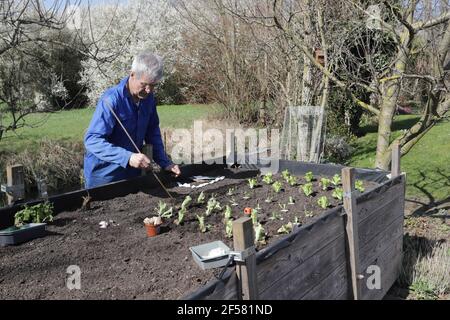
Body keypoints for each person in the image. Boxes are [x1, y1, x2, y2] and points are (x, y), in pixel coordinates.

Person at [83, 51, 180, 188]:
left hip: (132, 176)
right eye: (145, 84)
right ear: (132, 75)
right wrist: (127, 157)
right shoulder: (111, 100)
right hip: (104, 178)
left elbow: (152, 133)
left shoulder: (148, 99)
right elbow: (92, 140)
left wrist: (165, 163)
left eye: (153, 86)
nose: (149, 90)